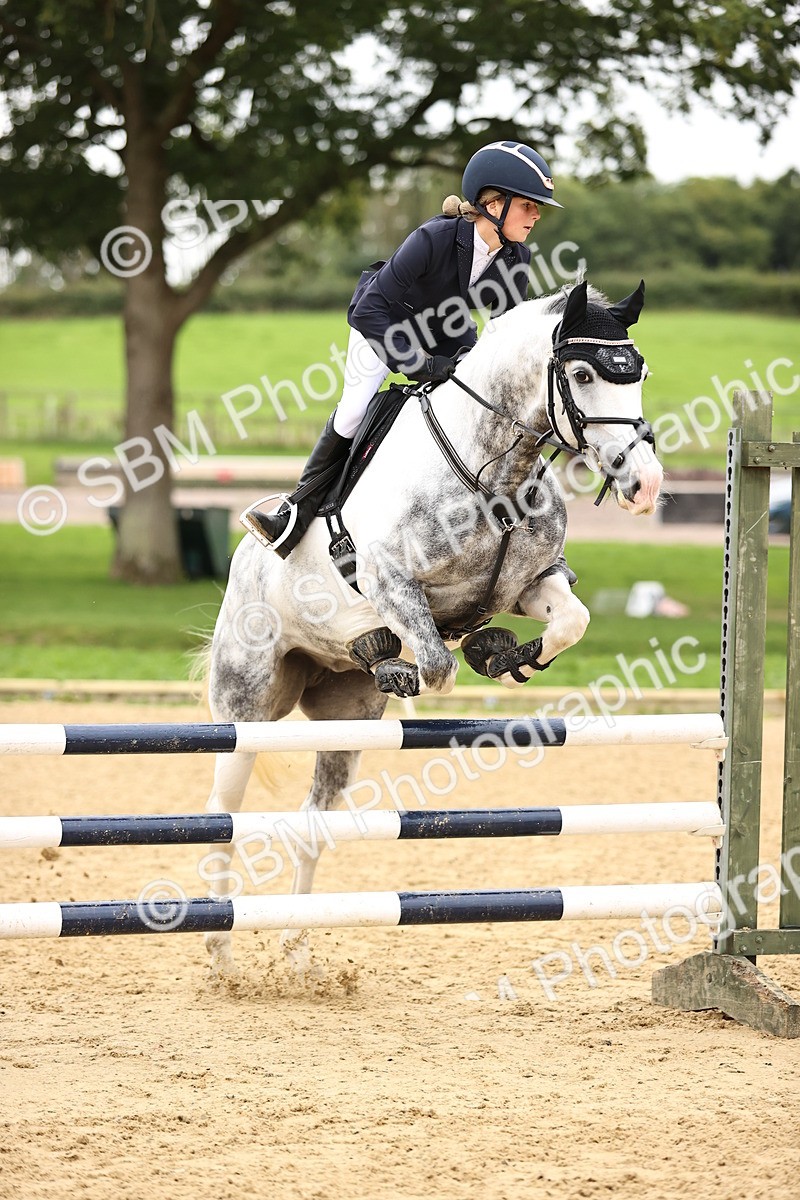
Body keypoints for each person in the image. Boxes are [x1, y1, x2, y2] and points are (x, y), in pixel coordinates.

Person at [242, 140, 563, 557]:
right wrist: (422, 364)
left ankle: (531, 539)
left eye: (537, 207)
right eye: (528, 205)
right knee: (356, 409)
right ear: (493, 203)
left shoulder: (515, 256)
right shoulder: (434, 237)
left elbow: (502, 332)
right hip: (383, 321)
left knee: (484, 403)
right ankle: (294, 514)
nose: (537, 215)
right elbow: (370, 310)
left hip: (444, 328)